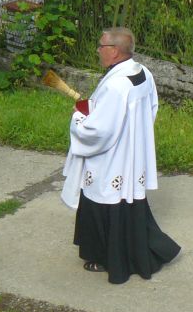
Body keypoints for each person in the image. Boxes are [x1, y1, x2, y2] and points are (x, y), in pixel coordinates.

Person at [61, 27, 180, 284]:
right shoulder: (141, 72)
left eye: (101, 46)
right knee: (127, 204)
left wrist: (78, 118)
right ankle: (137, 253)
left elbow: (99, 131)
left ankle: (108, 258)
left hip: (112, 159)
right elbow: (149, 109)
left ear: (114, 51)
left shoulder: (116, 85)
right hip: (131, 155)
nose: (98, 50)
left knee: (104, 199)